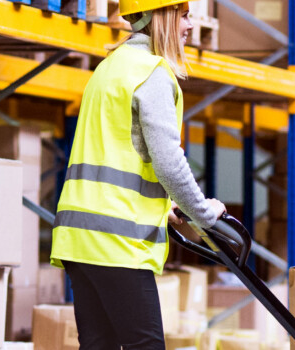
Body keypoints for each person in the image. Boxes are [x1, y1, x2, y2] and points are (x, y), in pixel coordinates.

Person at [48, 1, 224, 348]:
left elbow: (123, 152)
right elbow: (168, 162)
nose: (190, 26)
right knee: (146, 345)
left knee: (99, 345)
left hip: (80, 237)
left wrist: (165, 208)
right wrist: (202, 215)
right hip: (116, 241)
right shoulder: (152, 72)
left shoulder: (109, 68)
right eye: (185, 15)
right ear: (162, 16)